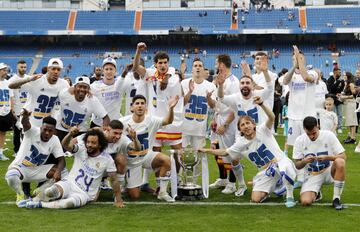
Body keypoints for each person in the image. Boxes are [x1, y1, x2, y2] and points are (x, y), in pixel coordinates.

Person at [200, 96, 297, 207]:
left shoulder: (263, 130)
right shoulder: (241, 143)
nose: (246, 126)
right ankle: (276, 186)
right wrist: (206, 150)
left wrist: (262, 104)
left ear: (253, 124)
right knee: (255, 198)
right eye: (242, 125)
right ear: (240, 129)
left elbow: (272, 117)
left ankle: (289, 195)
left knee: (285, 167)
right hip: (267, 171)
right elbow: (225, 152)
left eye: (248, 123)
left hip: (281, 163)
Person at [25, 128, 124, 209]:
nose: (89, 145)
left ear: (100, 145)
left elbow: (114, 180)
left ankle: (41, 205)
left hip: (85, 194)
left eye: (93, 143)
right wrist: (70, 134)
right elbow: (65, 145)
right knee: (50, 192)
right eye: (88, 142)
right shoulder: (81, 149)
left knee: (69, 204)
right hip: (69, 183)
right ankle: (33, 201)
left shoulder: (107, 159)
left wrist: (119, 199)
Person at [133, 42, 183, 190]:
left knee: (178, 153)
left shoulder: (174, 75)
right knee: (156, 155)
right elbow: (136, 68)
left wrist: (166, 78)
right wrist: (138, 51)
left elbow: (171, 78)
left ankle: (178, 180)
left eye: (165, 62)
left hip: (173, 121)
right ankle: (160, 185)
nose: (163, 65)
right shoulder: (149, 74)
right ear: (155, 64)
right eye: (160, 63)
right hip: (155, 121)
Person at [120, 94, 179, 202]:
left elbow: (168, 121)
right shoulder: (123, 122)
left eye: (142, 103)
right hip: (130, 160)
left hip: (146, 155)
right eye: (137, 103)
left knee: (166, 160)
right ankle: (126, 182)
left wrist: (171, 108)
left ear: (146, 107)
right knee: (135, 196)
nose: (140, 106)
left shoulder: (151, 120)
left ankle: (162, 192)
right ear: (131, 107)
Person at [5, 109, 65, 207]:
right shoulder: (32, 131)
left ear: (54, 131)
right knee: (11, 176)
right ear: (41, 127)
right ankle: (20, 194)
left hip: (37, 170)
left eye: (50, 131)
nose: (47, 133)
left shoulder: (55, 139)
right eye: (45, 129)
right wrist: (25, 117)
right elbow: (26, 124)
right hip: (21, 168)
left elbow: (61, 160)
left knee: (61, 171)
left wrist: (58, 172)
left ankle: (40, 190)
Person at [279, 46, 318, 187]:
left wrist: (300, 62)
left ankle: (311, 176)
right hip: (293, 117)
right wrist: (295, 65)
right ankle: (300, 177)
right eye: (295, 57)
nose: (297, 59)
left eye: (300, 57)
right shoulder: (289, 75)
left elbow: (306, 77)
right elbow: (284, 81)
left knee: (310, 146)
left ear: (304, 59)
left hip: (308, 116)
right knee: (296, 147)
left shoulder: (313, 72)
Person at [71, 120, 141, 193]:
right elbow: (73, 142)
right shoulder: (96, 136)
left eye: (120, 133)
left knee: (121, 158)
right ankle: (100, 182)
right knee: (92, 198)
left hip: (110, 169)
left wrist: (135, 138)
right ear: (107, 130)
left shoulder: (122, 139)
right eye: (115, 133)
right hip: (92, 168)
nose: (118, 136)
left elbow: (137, 148)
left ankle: (118, 189)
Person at [293, 116, 346, 210]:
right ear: (304, 129)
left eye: (314, 133)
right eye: (308, 134)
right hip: (312, 174)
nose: (312, 136)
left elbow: (343, 156)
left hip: (329, 170)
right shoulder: (299, 140)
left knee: (340, 162)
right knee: (305, 201)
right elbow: (297, 165)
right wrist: (304, 161)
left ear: (318, 126)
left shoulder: (328, 135)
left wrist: (328, 157)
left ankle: (336, 199)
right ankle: (316, 193)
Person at [209, 54, 239, 195]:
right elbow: (218, 103)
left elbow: (236, 106)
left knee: (231, 152)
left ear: (221, 64)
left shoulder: (233, 82)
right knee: (216, 150)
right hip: (218, 117)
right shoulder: (220, 80)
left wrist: (226, 124)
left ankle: (232, 183)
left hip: (230, 121)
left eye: (216, 62)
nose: (215, 65)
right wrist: (214, 119)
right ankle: (223, 178)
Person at [8, 58, 69, 128]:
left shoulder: (64, 84)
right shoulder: (37, 80)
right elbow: (11, 85)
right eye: (53, 69)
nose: (56, 72)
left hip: (47, 124)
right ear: (48, 69)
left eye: (58, 69)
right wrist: (28, 79)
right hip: (30, 121)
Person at [55, 76, 110, 142]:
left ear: (89, 89)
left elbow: (105, 117)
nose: (82, 89)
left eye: (85, 87)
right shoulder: (65, 94)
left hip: (79, 131)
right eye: (80, 86)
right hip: (60, 127)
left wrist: (104, 131)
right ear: (75, 87)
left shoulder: (92, 100)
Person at [181, 58, 216, 150]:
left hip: (200, 128)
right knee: (179, 154)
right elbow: (181, 104)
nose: (198, 67)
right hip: (184, 127)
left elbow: (213, 106)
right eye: (195, 66)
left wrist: (208, 98)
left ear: (203, 70)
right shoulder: (184, 83)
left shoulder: (210, 85)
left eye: (200, 66)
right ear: (192, 69)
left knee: (200, 156)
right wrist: (189, 92)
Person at [90, 58, 124, 128]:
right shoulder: (94, 86)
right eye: (106, 69)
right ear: (103, 71)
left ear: (115, 71)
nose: (109, 72)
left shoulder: (120, 83)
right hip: (98, 124)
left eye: (111, 69)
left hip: (115, 124)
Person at [8, 60, 29, 157]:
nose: (23, 69)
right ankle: (17, 151)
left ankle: (27, 150)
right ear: (17, 67)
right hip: (16, 110)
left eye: (25, 67)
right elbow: (10, 96)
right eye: (21, 67)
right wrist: (12, 110)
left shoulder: (28, 78)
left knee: (27, 132)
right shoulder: (12, 80)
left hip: (27, 110)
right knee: (17, 133)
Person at [0, 63, 15, 160]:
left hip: (5, 112)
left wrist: (11, 110)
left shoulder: (8, 83)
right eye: (3, 70)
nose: (5, 72)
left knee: (3, 133)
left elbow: (11, 97)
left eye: (6, 70)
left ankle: (0, 152)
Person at [339, 72, 357, 144]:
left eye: (345, 75)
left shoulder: (351, 84)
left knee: (352, 121)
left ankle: (353, 138)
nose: (344, 76)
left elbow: (354, 95)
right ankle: (350, 136)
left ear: (348, 76)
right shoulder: (347, 83)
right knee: (349, 121)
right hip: (348, 103)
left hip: (351, 103)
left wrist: (345, 97)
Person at [326, 67, 345, 133]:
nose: (340, 73)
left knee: (340, 114)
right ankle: (333, 126)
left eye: (340, 72)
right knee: (333, 114)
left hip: (338, 99)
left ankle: (340, 127)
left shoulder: (339, 79)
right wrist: (338, 82)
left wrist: (342, 83)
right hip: (332, 99)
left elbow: (341, 89)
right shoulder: (330, 79)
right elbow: (331, 89)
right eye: (339, 72)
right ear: (335, 72)